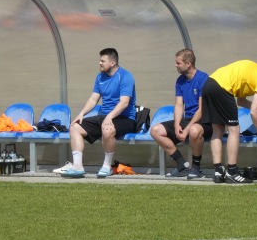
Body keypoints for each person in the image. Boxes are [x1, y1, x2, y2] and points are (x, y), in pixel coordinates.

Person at [201, 59, 257, 184]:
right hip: (222, 87)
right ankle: (232, 172)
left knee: (217, 130)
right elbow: (253, 112)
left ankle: (219, 172)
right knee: (234, 129)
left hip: (209, 84)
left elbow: (241, 101)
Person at [61, 48, 137, 178]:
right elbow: (93, 99)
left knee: (107, 129)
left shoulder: (125, 76)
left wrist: (109, 117)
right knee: (75, 127)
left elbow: (124, 103)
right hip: (106, 117)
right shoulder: (100, 77)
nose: (100, 63)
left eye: (102, 61)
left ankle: (107, 166)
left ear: (112, 63)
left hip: (125, 119)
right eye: (100, 60)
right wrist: (81, 114)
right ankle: (77, 167)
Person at [151, 50, 212, 179]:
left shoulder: (203, 79)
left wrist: (187, 129)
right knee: (155, 130)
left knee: (194, 131)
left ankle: (196, 167)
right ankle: (181, 164)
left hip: (204, 121)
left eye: (178, 63)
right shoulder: (180, 81)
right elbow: (179, 105)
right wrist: (177, 124)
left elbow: (201, 109)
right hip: (188, 119)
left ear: (188, 64)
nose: (175, 65)